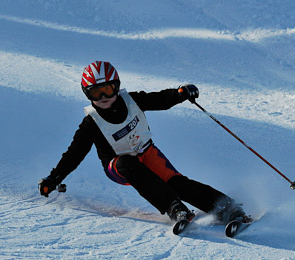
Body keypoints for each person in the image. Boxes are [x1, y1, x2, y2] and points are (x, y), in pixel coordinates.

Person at [39, 61, 247, 224]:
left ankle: (226, 207)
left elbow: (159, 100)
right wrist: (53, 179)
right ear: (87, 93)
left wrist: (180, 94)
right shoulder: (91, 123)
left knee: (177, 183)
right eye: (96, 92)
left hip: (147, 153)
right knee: (127, 163)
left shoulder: (132, 101)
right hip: (118, 165)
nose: (103, 96)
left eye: (108, 89)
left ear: (116, 87)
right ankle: (174, 208)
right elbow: (74, 154)